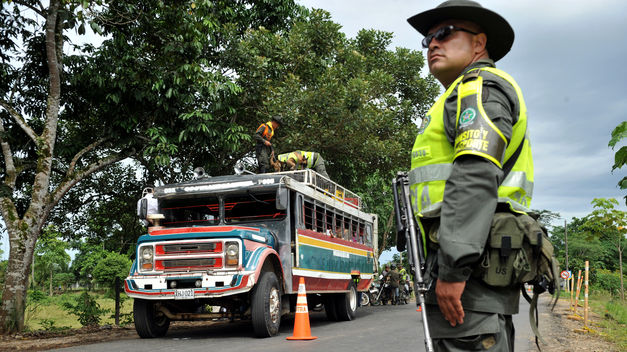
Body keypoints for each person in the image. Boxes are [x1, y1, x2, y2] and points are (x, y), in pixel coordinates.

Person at [406, 1, 534, 351]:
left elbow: (475, 175)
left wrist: (453, 271)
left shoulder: (477, 89)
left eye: (444, 33)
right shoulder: (458, 94)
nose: (432, 44)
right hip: (475, 277)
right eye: (428, 39)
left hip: (469, 281)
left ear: (479, 44)